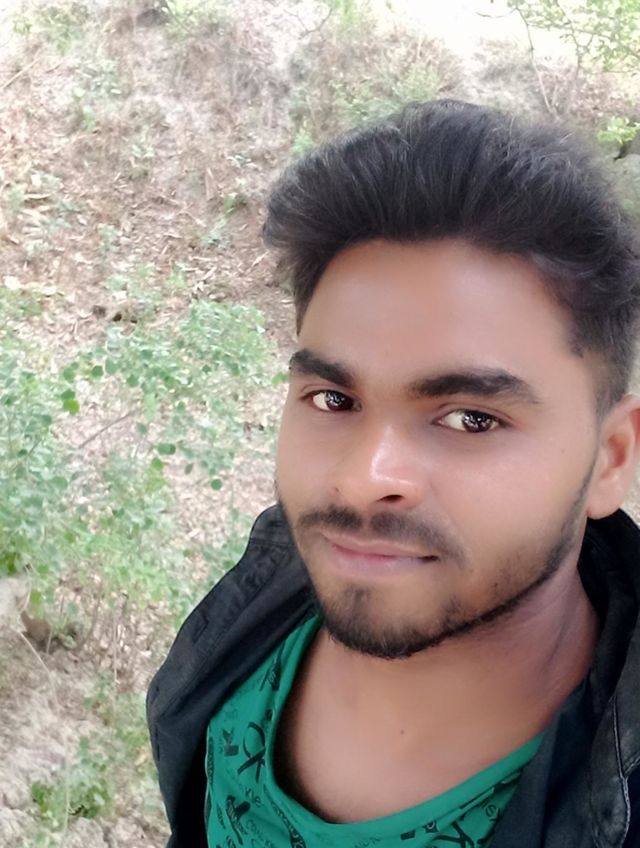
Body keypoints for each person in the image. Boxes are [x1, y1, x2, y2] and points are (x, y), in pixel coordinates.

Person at [147, 100, 640, 848]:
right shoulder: (262, 609)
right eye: (333, 399)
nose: (362, 479)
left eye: (471, 418)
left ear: (612, 458)